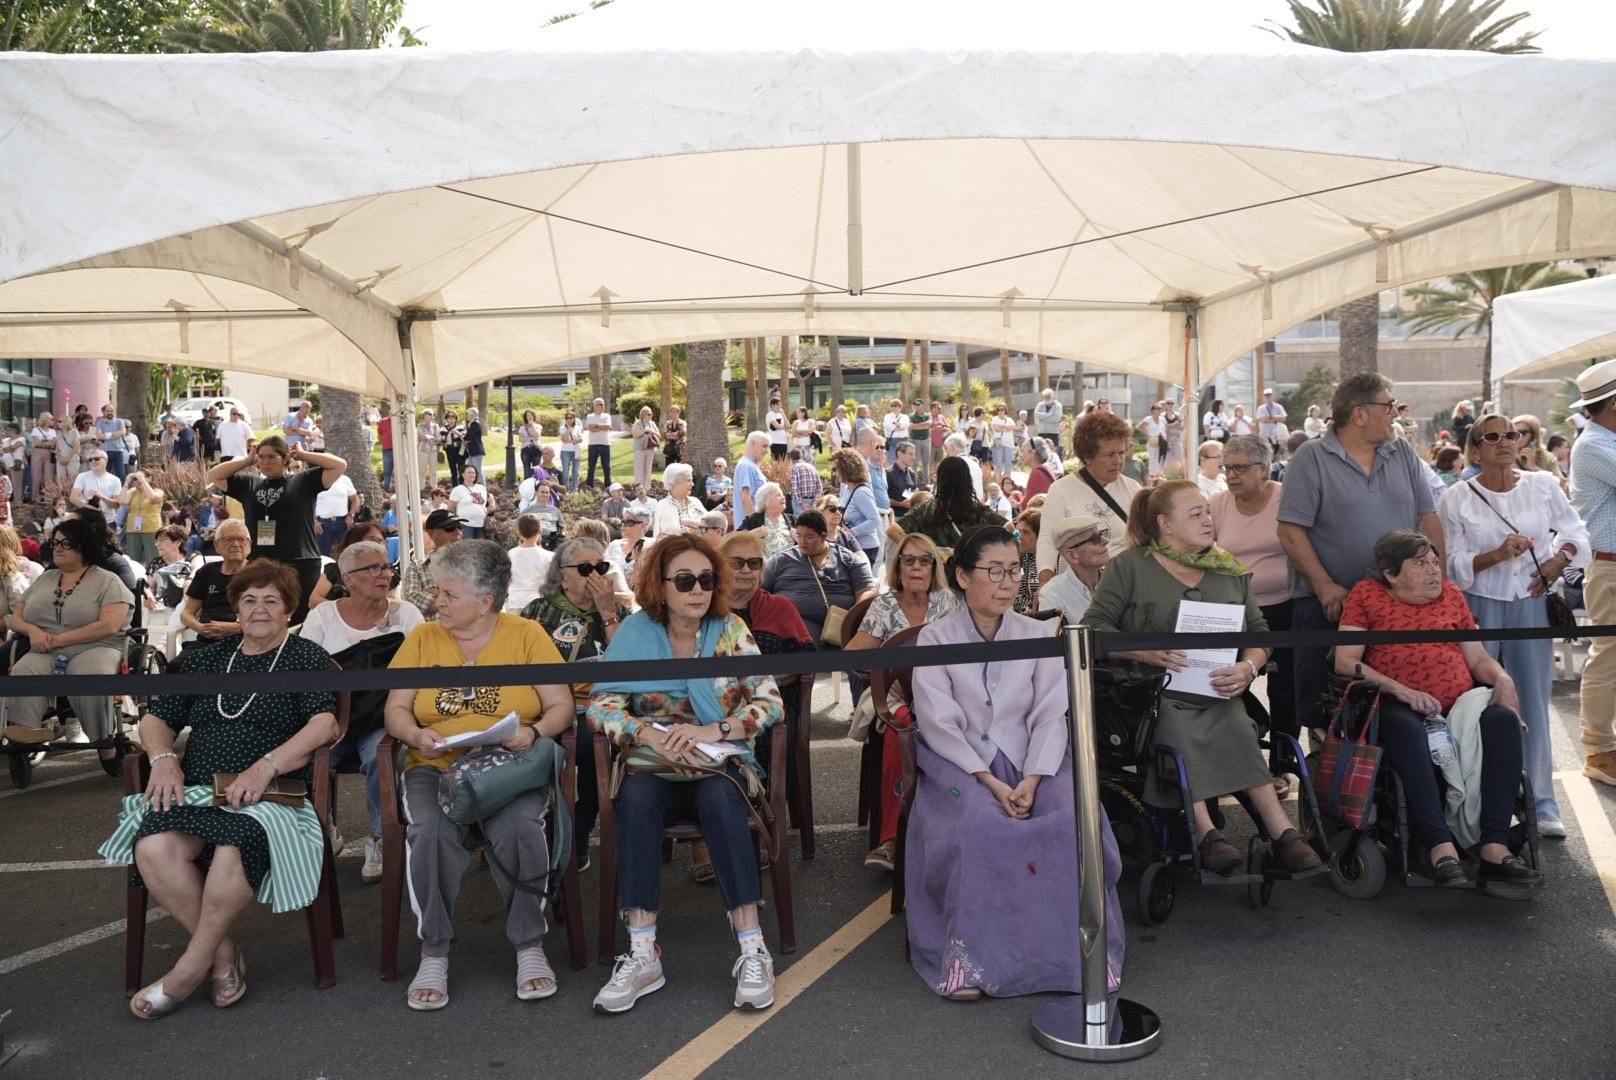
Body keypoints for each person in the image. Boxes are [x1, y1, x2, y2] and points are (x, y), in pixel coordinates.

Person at [99, 559, 338, 1020]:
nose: (260, 609)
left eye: (272, 600)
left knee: (233, 846)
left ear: (289, 610)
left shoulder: (304, 656)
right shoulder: (207, 658)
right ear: (236, 609)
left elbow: (323, 723)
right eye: (249, 600)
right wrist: (164, 761)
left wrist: (264, 768)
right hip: (200, 790)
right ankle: (222, 954)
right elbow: (156, 719)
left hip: (270, 793)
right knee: (153, 846)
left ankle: (188, 970)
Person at [906, 525, 1124, 1001]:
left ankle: (1071, 958)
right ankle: (973, 963)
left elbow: (1052, 711)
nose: (1008, 583)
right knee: (980, 825)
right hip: (962, 762)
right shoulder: (936, 638)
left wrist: (1032, 777)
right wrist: (991, 783)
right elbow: (939, 722)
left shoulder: (1041, 632)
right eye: (995, 571)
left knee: (1069, 821)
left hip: (1034, 757)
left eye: (1015, 570)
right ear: (962, 576)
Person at [587, 534, 785, 1013]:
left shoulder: (731, 630)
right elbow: (601, 706)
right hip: (655, 763)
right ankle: (642, 954)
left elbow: (770, 702)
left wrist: (712, 729)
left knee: (720, 803)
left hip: (717, 760)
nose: (697, 589)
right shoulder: (635, 633)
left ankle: (752, 948)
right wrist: (651, 735)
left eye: (706, 579)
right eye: (684, 580)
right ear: (661, 585)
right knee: (635, 801)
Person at [1082, 482, 1320, 875]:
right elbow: (1093, 628)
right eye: (1195, 514)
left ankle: (1283, 832)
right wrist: (1142, 651)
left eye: (1207, 512)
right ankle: (1207, 833)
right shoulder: (1131, 567)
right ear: (1165, 524)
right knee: (1175, 721)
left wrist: (1249, 668)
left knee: (1239, 724)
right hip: (1151, 696)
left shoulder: (1228, 570)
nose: (1208, 520)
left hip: (1214, 690)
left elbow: (1260, 634)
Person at [384, 541, 576, 1009]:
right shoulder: (423, 639)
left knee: (517, 828)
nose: (437, 602)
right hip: (436, 765)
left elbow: (561, 706)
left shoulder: (527, 635)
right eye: (437, 592)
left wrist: (534, 732)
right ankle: (434, 951)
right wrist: (415, 734)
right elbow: (395, 709)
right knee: (431, 831)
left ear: (486, 601)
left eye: (448, 594)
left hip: (506, 769)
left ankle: (529, 945)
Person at [1336, 531, 1542, 893]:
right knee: (1408, 730)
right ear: (1391, 574)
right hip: (1398, 703)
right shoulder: (1367, 596)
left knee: (1503, 720)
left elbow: (1477, 658)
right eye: (1420, 564)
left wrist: (1502, 679)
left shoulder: (1452, 596)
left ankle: (1494, 845)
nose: (1433, 570)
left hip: (1459, 704)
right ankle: (1439, 847)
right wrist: (1400, 689)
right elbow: (1345, 661)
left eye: (1434, 561)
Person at [1441, 414, 1588, 836]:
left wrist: (1558, 560)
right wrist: (1497, 554)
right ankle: (1480, 800)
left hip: (1531, 602)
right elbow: (1451, 564)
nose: (1505, 442)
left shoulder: (1542, 485)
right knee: (1476, 701)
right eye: (1493, 436)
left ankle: (1543, 803)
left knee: (1534, 700)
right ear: (1475, 450)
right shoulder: (1457, 498)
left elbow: (1575, 530)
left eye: (1512, 434)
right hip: (1479, 606)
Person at [1278, 372, 1443, 735]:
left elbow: (1427, 518)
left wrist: (1438, 579)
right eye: (1389, 406)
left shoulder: (1402, 452)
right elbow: (1290, 532)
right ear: (1359, 413)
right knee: (1329, 720)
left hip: (1398, 608)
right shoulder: (1311, 457)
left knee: (1399, 713)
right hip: (1328, 610)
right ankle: (1332, 791)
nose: (1395, 414)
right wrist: (1325, 587)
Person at [299, 541, 422, 883]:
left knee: (378, 756)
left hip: (381, 716)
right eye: (372, 568)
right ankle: (323, 828)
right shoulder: (323, 615)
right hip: (331, 717)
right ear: (347, 579)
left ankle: (381, 839)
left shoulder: (406, 614)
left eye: (385, 567)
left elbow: (423, 669)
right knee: (308, 758)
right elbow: (306, 668)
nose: (383, 574)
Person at [844, 532, 958, 870]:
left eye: (925, 561)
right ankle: (891, 839)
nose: (917, 568)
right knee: (903, 730)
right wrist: (881, 675)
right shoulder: (884, 605)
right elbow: (852, 656)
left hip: (944, 694)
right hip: (895, 697)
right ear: (898, 566)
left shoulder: (949, 603)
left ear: (935, 567)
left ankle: (949, 829)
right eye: (909, 560)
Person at [1, 514, 134, 758]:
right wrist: (33, 632)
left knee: (87, 675)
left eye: (66, 543)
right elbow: (17, 616)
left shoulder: (108, 581)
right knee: (23, 672)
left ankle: (102, 739)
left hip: (97, 646)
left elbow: (109, 625)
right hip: (44, 646)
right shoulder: (45, 578)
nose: (58, 548)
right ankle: (27, 733)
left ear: (84, 546)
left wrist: (59, 640)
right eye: (55, 543)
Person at [1210, 435, 1296, 779]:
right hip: (1234, 611)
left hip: (1283, 606)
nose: (1231, 475)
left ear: (1263, 469)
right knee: (1227, 682)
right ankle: (1239, 755)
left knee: (1285, 686)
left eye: (1240, 468)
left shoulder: (1285, 497)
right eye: (1227, 467)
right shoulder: (1218, 504)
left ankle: (1283, 764)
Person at [208, 437, 347, 624]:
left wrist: (303, 454)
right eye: (261, 457)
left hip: (301, 560)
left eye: (272, 457)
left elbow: (339, 465)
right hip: (261, 561)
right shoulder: (250, 484)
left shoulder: (303, 480)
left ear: (285, 459)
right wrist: (247, 460)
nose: (265, 462)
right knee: (266, 614)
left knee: (301, 618)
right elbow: (214, 475)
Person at [1033, 411, 1140, 577]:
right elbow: (1048, 540)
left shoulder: (1133, 489)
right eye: (1110, 454)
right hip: (1079, 591)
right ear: (1088, 457)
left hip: (1126, 586)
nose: (1118, 460)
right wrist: (1045, 581)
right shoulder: (1061, 490)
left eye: (1121, 452)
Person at [762, 509, 877, 642]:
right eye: (798, 535)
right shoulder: (780, 561)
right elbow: (760, 592)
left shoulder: (849, 559)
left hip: (841, 626)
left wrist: (853, 619)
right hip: (795, 628)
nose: (802, 541)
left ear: (823, 536)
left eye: (809, 537)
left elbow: (867, 590)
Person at [888, 456, 1003, 555]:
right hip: (968, 572)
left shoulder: (928, 509)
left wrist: (920, 552)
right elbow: (1008, 527)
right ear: (967, 480)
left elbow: (892, 530)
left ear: (940, 480)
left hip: (936, 573)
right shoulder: (977, 510)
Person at [181, 519, 251, 648]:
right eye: (229, 539)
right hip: (206, 642)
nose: (236, 544)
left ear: (249, 544)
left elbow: (274, 618)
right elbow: (186, 613)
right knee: (177, 665)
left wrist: (236, 628)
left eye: (241, 539)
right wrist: (200, 628)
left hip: (247, 642)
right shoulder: (207, 572)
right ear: (217, 545)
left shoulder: (261, 574)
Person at [1036, 514, 1109, 622]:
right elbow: (1053, 637)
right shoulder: (1052, 594)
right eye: (1095, 539)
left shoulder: (1120, 581)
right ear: (1072, 556)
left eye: (1101, 534)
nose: (1105, 540)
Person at [831, 449, 882, 569]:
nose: (835, 473)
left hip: (865, 547)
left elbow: (875, 520)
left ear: (846, 469)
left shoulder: (861, 492)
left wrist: (852, 532)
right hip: (852, 546)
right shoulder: (845, 488)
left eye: (836, 469)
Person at [506, 513, 555, 611]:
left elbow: (508, 579)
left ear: (518, 533)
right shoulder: (549, 556)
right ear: (540, 532)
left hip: (515, 602)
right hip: (537, 603)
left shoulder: (511, 553)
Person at [118, 469, 166, 567]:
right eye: (135, 479)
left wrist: (143, 481)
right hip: (133, 529)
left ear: (149, 478)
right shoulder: (132, 491)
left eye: (140, 478)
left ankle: (153, 580)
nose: (137, 481)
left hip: (151, 528)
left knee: (153, 558)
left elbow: (154, 498)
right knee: (133, 560)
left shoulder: (158, 491)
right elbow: (122, 501)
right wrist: (127, 482)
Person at [313, 466, 359, 558]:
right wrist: (314, 521)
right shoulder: (316, 479)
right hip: (323, 524)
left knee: (348, 554)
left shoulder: (345, 479)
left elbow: (355, 499)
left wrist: (351, 515)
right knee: (322, 556)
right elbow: (307, 502)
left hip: (343, 522)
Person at [69, 448, 121, 526]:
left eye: (97, 459)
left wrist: (101, 496)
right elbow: (73, 498)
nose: (93, 461)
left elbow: (116, 505)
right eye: (90, 460)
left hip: (108, 522)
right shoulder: (82, 476)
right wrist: (90, 508)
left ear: (106, 461)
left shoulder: (115, 480)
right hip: (87, 521)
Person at [741, 482, 794, 558]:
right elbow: (735, 540)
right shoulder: (752, 520)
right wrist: (753, 534)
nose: (783, 497)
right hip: (765, 567)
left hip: (791, 567)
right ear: (766, 501)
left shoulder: (792, 519)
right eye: (778, 495)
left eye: (783, 495)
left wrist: (800, 538)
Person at [731, 432, 769, 530]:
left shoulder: (750, 465)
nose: (767, 451)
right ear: (753, 443)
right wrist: (754, 525)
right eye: (764, 446)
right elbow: (745, 498)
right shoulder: (746, 466)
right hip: (748, 530)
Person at [606, 510, 653, 586]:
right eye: (623, 521)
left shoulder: (653, 547)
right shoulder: (614, 545)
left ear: (643, 526)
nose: (624, 525)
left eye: (629, 522)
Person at [1011, 509, 1041, 613]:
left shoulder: (1058, 560)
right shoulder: (1022, 558)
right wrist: (1029, 610)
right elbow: (1017, 595)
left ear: (1040, 535)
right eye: (1019, 532)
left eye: (1026, 532)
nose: (1020, 537)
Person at [448, 464, 489, 540]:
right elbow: (451, 509)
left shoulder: (482, 488)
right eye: (469, 472)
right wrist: (456, 525)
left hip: (481, 525)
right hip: (465, 525)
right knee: (468, 550)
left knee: (480, 549)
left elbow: (485, 504)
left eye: (473, 473)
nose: (472, 474)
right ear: (463, 474)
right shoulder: (457, 490)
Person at [1018, 436, 1059, 507]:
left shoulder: (1037, 474)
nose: (1021, 455)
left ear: (1032, 453)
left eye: (1022, 451)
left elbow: (1026, 506)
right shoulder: (1046, 469)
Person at [95, 403, 130, 480]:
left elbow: (123, 432)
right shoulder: (99, 422)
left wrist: (106, 435)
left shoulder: (120, 421)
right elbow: (99, 436)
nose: (110, 413)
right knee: (104, 475)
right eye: (108, 411)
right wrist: (115, 435)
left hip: (118, 451)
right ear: (104, 412)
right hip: (104, 452)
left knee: (121, 475)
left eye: (112, 411)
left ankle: (121, 491)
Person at [585, 397, 614, 488]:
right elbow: (590, 429)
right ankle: (589, 485)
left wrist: (596, 425)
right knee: (591, 467)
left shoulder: (607, 416)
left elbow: (608, 426)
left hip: (605, 444)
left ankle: (608, 485)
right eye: (600, 404)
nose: (603, 406)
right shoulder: (590, 416)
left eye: (603, 404)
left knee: (606, 467)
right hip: (593, 444)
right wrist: (602, 427)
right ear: (595, 406)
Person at [886, 441, 921, 515]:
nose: (914, 457)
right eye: (910, 454)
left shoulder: (912, 473)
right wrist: (900, 504)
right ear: (900, 454)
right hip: (895, 517)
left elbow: (914, 491)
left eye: (914, 454)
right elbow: (882, 499)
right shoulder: (888, 473)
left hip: (911, 516)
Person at [630, 406, 660, 490]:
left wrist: (652, 431)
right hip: (640, 449)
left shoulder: (652, 423)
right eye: (649, 414)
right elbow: (635, 435)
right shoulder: (638, 423)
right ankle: (639, 489)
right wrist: (644, 431)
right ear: (643, 415)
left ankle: (647, 489)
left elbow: (659, 435)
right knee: (639, 469)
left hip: (650, 449)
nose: (651, 416)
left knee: (648, 469)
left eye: (651, 414)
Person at [786, 448, 822, 516]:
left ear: (791, 459)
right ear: (801, 456)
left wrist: (802, 503)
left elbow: (795, 488)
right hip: (812, 501)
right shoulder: (811, 466)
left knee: (800, 523)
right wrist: (815, 501)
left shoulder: (794, 468)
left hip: (800, 502)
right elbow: (819, 486)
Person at [1136, 403, 1168, 476]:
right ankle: (1152, 476)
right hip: (1153, 441)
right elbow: (1138, 427)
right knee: (1153, 460)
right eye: (1158, 408)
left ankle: (1160, 475)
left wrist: (1167, 440)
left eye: (1160, 408)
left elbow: (1166, 430)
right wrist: (1148, 436)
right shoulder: (1148, 419)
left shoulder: (1162, 419)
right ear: (1153, 410)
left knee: (1162, 459)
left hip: (1162, 442)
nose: (1160, 410)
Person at [1033, 387, 1063, 458]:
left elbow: (1056, 418)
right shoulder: (1040, 405)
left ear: (1052, 397)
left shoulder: (1058, 405)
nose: (1047, 398)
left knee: (1053, 452)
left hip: (1053, 433)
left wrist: (1043, 418)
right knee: (1042, 452)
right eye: (1045, 397)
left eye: (1049, 397)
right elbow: (1036, 415)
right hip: (1042, 432)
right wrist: (1050, 414)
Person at [558, 408, 583, 491]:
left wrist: (572, 441)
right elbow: (564, 439)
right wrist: (568, 430)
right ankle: (565, 489)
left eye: (571, 418)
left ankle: (574, 489)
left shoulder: (578, 428)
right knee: (565, 472)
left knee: (576, 471)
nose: (569, 420)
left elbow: (580, 439)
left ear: (574, 418)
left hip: (576, 451)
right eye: (567, 418)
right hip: (566, 452)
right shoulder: (563, 428)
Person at [416, 408, 442, 486]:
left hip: (433, 450)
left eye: (431, 414)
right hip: (422, 450)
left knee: (433, 470)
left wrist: (429, 437)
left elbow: (438, 438)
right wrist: (431, 437)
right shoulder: (420, 426)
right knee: (422, 470)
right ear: (424, 416)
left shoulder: (435, 426)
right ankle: (421, 487)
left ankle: (434, 487)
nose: (430, 416)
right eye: (428, 414)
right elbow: (422, 437)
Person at [461, 407, 485, 480]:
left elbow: (468, 437)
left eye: (468, 414)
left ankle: (482, 488)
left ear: (472, 415)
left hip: (476, 451)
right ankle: (474, 486)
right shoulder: (471, 424)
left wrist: (463, 436)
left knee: (477, 470)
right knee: (471, 469)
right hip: (472, 451)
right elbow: (468, 437)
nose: (467, 416)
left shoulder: (475, 424)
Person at [765, 396, 789, 461]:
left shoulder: (781, 414)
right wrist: (784, 427)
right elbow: (777, 426)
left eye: (780, 404)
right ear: (773, 405)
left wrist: (783, 414)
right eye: (778, 404)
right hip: (775, 442)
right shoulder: (770, 414)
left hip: (784, 442)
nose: (780, 406)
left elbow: (788, 425)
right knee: (776, 462)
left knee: (783, 462)